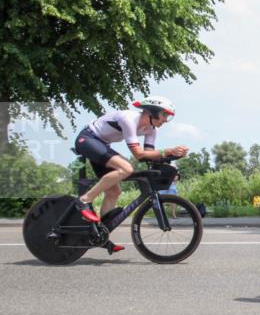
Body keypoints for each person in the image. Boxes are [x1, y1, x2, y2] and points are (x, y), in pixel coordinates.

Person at [73, 96, 186, 253]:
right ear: (153, 112)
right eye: (165, 115)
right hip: (88, 139)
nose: (166, 120)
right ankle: (84, 200)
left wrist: (171, 157)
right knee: (126, 168)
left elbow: (148, 155)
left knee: (114, 191)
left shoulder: (152, 130)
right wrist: (167, 151)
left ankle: (101, 234)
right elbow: (139, 155)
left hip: (101, 144)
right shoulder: (129, 119)